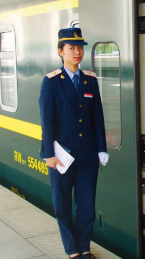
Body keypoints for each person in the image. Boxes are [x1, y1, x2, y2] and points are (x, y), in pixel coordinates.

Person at [39, 28, 109, 259]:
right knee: (63, 205)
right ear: (61, 51)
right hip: (62, 155)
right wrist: (49, 154)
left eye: (80, 47)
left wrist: (101, 148)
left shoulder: (89, 80)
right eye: (71, 48)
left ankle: (85, 247)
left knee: (86, 204)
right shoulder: (51, 82)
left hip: (88, 154)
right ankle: (72, 250)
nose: (77, 52)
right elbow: (47, 121)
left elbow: (97, 117)